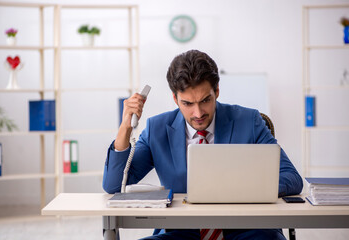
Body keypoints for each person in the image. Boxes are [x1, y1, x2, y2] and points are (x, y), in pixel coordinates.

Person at [103, 49, 303, 240]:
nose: (198, 113)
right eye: (188, 104)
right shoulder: (158, 128)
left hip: (248, 229)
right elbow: (113, 185)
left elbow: (292, 178)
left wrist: (247, 189)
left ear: (216, 91)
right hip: (181, 231)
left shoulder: (249, 121)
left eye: (205, 100)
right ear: (175, 98)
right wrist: (125, 128)